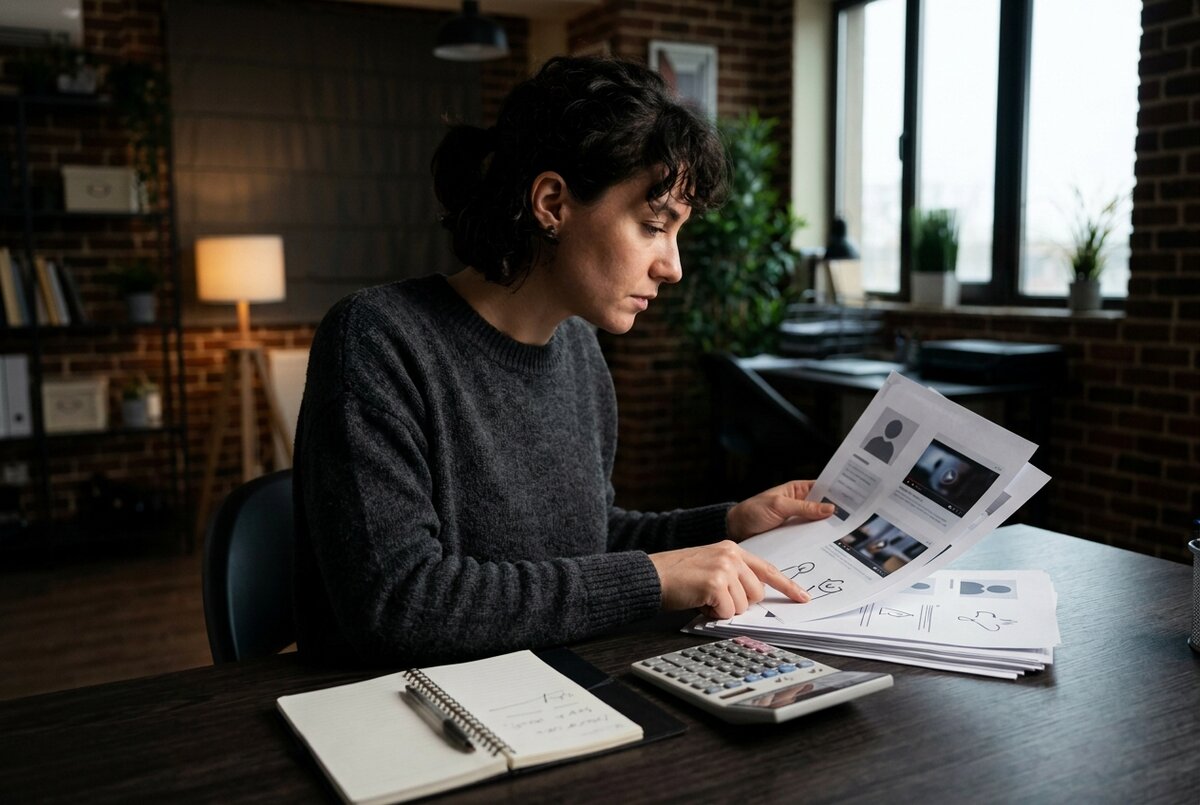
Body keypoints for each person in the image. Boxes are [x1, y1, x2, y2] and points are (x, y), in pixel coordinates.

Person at [293, 55, 834, 667]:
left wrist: (730, 523)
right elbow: (401, 604)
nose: (673, 266)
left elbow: (587, 539)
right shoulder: (377, 339)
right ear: (552, 203)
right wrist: (652, 579)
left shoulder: (577, 346)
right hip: (400, 717)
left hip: (546, 688)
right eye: (654, 225)